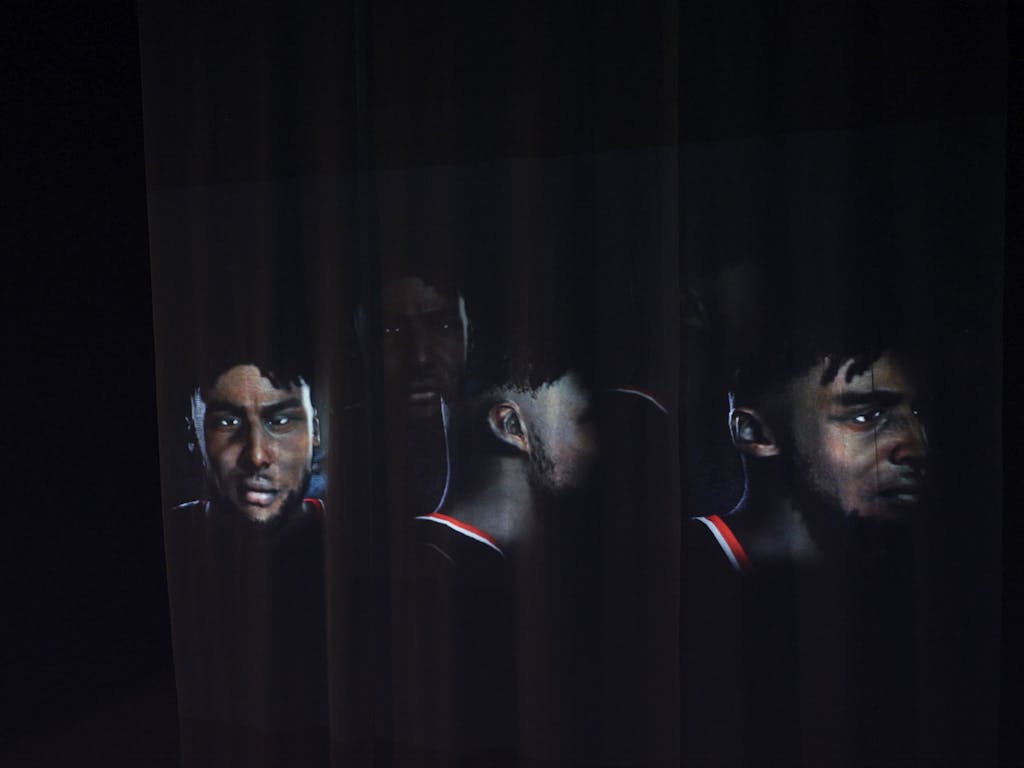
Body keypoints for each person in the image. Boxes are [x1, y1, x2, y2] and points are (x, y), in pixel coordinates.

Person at [165, 358, 328, 767]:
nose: (256, 455)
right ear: (194, 435)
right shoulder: (174, 542)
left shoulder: (357, 545)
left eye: (281, 420)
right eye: (226, 423)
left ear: (316, 431)